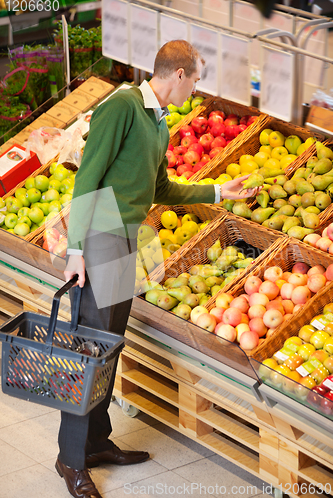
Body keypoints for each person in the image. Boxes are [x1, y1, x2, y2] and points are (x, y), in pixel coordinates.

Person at [58, 40, 260, 498]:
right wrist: (76, 250)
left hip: (128, 238)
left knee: (109, 346)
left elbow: (161, 188)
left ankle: (96, 442)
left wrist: (217, 193)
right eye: (196, 80)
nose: (196, 89)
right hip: (100, 237)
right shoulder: (123, 106)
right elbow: (88, 176)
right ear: (178, 74)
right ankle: (70, 459)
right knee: (88, 349)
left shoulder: (158, 122)